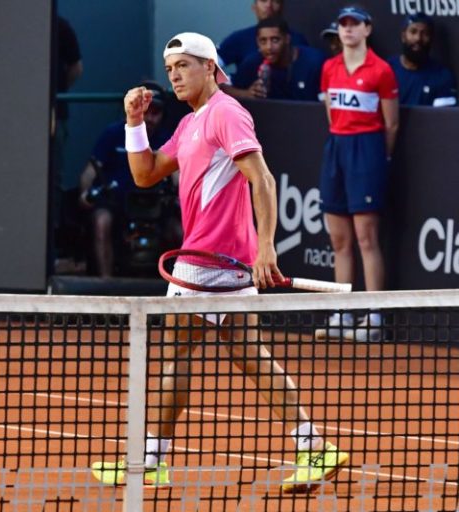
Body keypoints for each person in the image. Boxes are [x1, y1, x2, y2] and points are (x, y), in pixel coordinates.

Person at [90, 32, 348, 492]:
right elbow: (145, 173)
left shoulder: (227, 113)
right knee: (250, 357)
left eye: (183, 66)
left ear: (210, 67)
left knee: (177, 357)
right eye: (170, 70)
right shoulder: (191, 124)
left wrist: (266, 246)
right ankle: (314, 447)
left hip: (205, 262)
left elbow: (262, 179)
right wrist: (134, 121)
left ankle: (151, 461)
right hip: (219, 260)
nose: (175, 76)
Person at [317, 6, 399, 342]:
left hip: (368, 151)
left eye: (354, 24)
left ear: (367, 29)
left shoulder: (381, 70)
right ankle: (342, 313)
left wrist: (380, 156)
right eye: (343, 25)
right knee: (339, 240)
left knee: (366, 237)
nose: (347, 30)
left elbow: (391, 124)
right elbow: (330, 115)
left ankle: (374, 318)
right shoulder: (329, 68)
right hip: (336, 148)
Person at [78, 81, 177, 277]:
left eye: (155, 112)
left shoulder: (168, 138)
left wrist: (181, 195)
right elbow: (90, 170)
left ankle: (176, 287)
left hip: (155, 202)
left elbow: (178, 174)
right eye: (145, 110)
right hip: (117, 201)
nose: (149, 117)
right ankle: (107, 283)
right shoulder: (113, 134)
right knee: (101, 222)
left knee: (180, 231)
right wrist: (84, 194)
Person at [52, 16, 85, 272]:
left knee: (53, 184)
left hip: (54, 118)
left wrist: (51, 96)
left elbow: (76, 69)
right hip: (11, 118)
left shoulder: (60, 25)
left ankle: (50, 252)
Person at [229, 17, 326, 101]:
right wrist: (246, 94)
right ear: (257, 42)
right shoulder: (252, 62)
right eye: (263, 41)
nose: (269, 47)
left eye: (275, 40)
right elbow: (221, 86)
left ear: (287, 39)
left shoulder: (315, 62)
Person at [386, 13, 457, 107]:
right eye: (413, 32)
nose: (418, 38)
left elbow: (445, 118)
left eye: (425, 33)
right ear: (403, 36)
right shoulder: (386, 70)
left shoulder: (442, 76)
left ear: (431, 39)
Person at [218, 0, 308, 72]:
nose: (269, 5)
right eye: (263, 0)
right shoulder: (238, 39)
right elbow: (208, 68)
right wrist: (242, 92)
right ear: (254, 7)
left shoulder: (297, 39)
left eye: (275, 1)